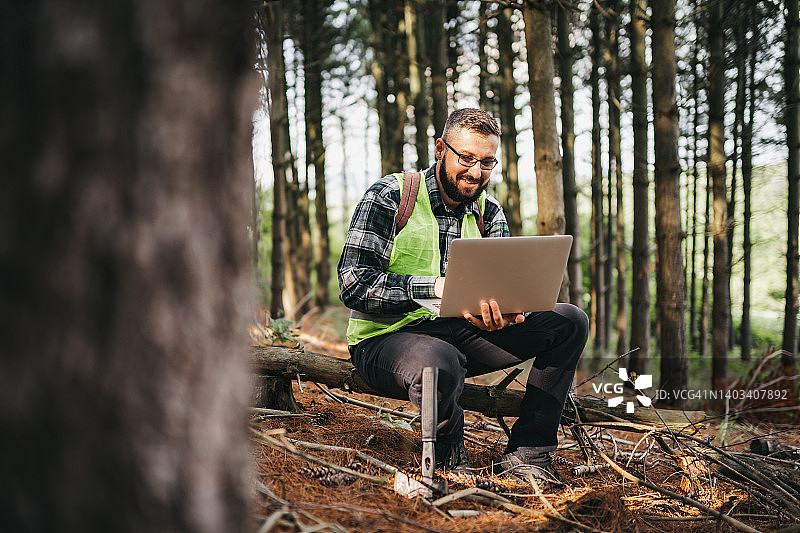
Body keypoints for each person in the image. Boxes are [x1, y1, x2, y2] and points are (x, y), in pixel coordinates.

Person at [337, 108, 588, 488]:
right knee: (439, 359)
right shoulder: (391, 196)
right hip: (385, 342)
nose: (476, 171)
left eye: (487, 162)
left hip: (459, 334)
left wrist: (504, 312)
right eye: (466, 158)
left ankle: (529, 453)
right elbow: (353, 284)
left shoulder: (490, 212)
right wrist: (433, 286)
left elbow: (499, 291)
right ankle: (450, 463)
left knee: (569, 321)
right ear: (441, 149)